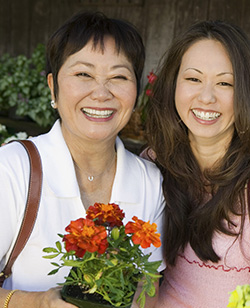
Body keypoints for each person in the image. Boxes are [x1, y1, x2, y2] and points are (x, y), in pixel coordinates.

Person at [0, 11, 164, 307]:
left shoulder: (151, 182)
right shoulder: (13, 168)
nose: (101, 93)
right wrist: (39, 303)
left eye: (118, 77)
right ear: (53, 87)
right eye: (83, 74)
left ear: (136, 93)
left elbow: (147, 291)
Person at [144, 20, 250, 307]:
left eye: (225, 83)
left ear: (244, 93)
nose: (206, 97)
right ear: (173, 85)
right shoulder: (154, 162)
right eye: (193, 79)